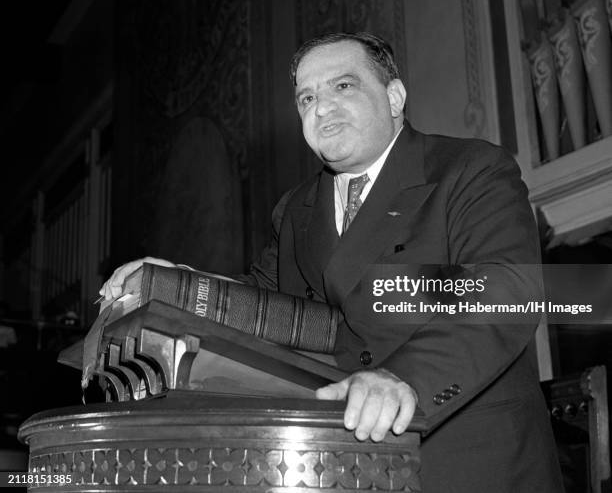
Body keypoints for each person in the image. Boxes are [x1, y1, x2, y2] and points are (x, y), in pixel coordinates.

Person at [102, 32, 563, 491]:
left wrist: (403, 379)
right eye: (306, 97)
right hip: (345, 466)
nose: (320, 108)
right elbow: (260, 306)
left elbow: (504, 290)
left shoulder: (469, 170)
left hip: (472, 462)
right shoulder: (296, 209)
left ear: (394, 96)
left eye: (343, 86)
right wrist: (173, 282)